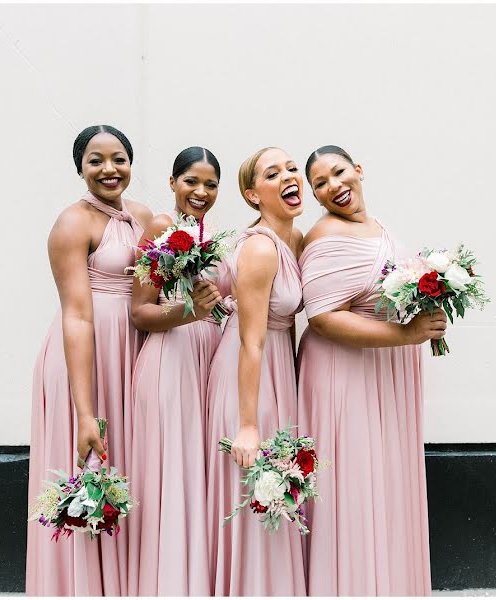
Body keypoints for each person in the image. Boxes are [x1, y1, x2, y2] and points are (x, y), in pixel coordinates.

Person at [297, 145, 447, 596]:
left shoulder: (377, 225)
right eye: (320, 183)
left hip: (383, 374)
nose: (334, 186)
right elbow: (323, 317)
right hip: (345, 373)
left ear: (358, 170)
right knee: (353, 490)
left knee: (383, 488)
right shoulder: (325, 235)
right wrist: (408, 335)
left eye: (339, 173)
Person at [26, 125, 152, 596]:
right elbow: (77, 316)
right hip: (86, 356)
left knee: (129, 465)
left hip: (131, 352)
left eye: (118, 158)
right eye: (96, 160)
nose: (109, 169)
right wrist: (84, 412)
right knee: (90, 462)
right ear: (79, 167)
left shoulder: (142, 216)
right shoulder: (72, 224)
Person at [205, 147, 306, 596]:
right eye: (273, 173)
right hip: (251, 372)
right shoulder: (261, 248)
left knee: (277, 490)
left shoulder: (295, 240)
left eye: (291, 168)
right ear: (252, 194)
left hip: (279, 368)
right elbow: (252, 338)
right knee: (254, 487)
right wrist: (247, 424)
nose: (289, 176)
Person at [127, 147, 225, 595]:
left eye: (209, 184)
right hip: (170, 360)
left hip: (203, 361)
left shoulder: (214, 237)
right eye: (191, 181)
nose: (200, 192)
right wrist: (192, 312)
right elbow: (140, 313)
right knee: (171, 471)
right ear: (172, 183)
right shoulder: (163, 228)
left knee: (196, 475)